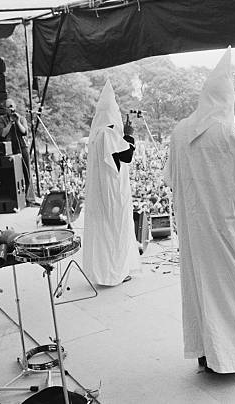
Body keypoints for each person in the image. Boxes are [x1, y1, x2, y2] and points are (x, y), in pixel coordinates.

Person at [164, 47, 235, 373]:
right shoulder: (232, 138)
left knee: (203, 292)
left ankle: (207, 354)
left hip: (195, 233)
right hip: (229, 234)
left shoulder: (179, 132)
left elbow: (172, 179)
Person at [82, 80, 140, 286]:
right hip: (113, 195)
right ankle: (115, 272)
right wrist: (129, 134)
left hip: (102, 194)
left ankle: (106, 271)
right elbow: (127, 156)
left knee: (105, 234)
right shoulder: (108, 134)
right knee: (116, 232)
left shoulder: (97, 135)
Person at [0, 99, 32, 202]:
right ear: (5, 109)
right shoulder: (0, 119)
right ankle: (13, 197)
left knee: (26, 171)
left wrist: (17, 121)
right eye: (8, 107)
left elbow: (24, 132)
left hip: (22, 146)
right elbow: (3, 134)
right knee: (10, 172)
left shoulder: (21, 118)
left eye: (12, 106)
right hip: (9, 148)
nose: (11, 109)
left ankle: (26, 197)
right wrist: (10, 122)